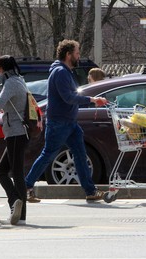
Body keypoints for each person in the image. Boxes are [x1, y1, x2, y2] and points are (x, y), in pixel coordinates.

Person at [25, 39, 108, 202]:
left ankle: (90, 191)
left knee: (80, 154)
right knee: (48, 155)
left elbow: (70, 97)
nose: (79, 56)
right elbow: (69, 98)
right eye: (77, 53)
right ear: (68, 54)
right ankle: (26, 186)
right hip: (59, 123)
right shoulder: (60, 72)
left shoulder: (65, 71)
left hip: (69, 122)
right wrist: (92, 100)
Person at [0, 55, 40, 225]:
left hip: (16, 132)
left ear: (3, 67)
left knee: (16, 173)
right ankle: (15, 204)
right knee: (2, 172)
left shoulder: (11, 83)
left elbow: (0, 101)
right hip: (15, 133)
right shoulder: (18, 80)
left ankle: (20, 214)